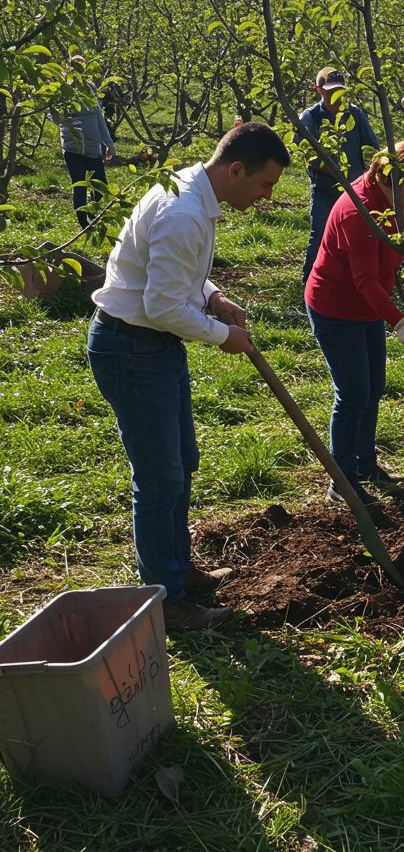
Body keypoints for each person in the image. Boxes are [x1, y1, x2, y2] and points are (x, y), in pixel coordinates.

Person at [87, 123, 290, 630]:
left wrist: (214, 298)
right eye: (264, 184)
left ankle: (178, 567)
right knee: (159, 478)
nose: (266, 197)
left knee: (182, 463)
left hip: (153, 346)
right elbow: (160, 304)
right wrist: (223, 336)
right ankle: (166, 600)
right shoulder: (182, 211)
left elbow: (178, 279)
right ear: (236, 169)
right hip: (133, 347)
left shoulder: (193, 193)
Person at [305, 140, 404, 511]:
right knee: (352, 394)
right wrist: (400, 322)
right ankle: (341, 481)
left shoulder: (400, 203)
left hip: (367, 307)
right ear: (389, 177)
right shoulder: (357, 212)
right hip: (336, 307)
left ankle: (366, 465)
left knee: (373, 387)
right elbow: (364, 281)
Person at [299, 66, 380, 282]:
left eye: (340, 90)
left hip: (354, 189)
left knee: (358, 235)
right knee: (320, 233)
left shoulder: (355, 114)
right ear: (319, 91)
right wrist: (324, 167)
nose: (336, 95)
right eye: (331, 90)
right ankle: (310, 280)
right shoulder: (310, 117)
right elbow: (303, 150)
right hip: (325, 187)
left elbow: (372, 147)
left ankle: (354, 280)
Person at [53, 55, 116, 229]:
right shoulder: (63, 89)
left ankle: (92, 213)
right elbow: (54, 116)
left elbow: (98, 117)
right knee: (80, 185)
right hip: (73, 148)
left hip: (92, 147)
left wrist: (108, 143)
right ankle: (84, 224)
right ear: (71, 68)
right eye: (77, 67)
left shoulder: (90, 88)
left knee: (100, 185)